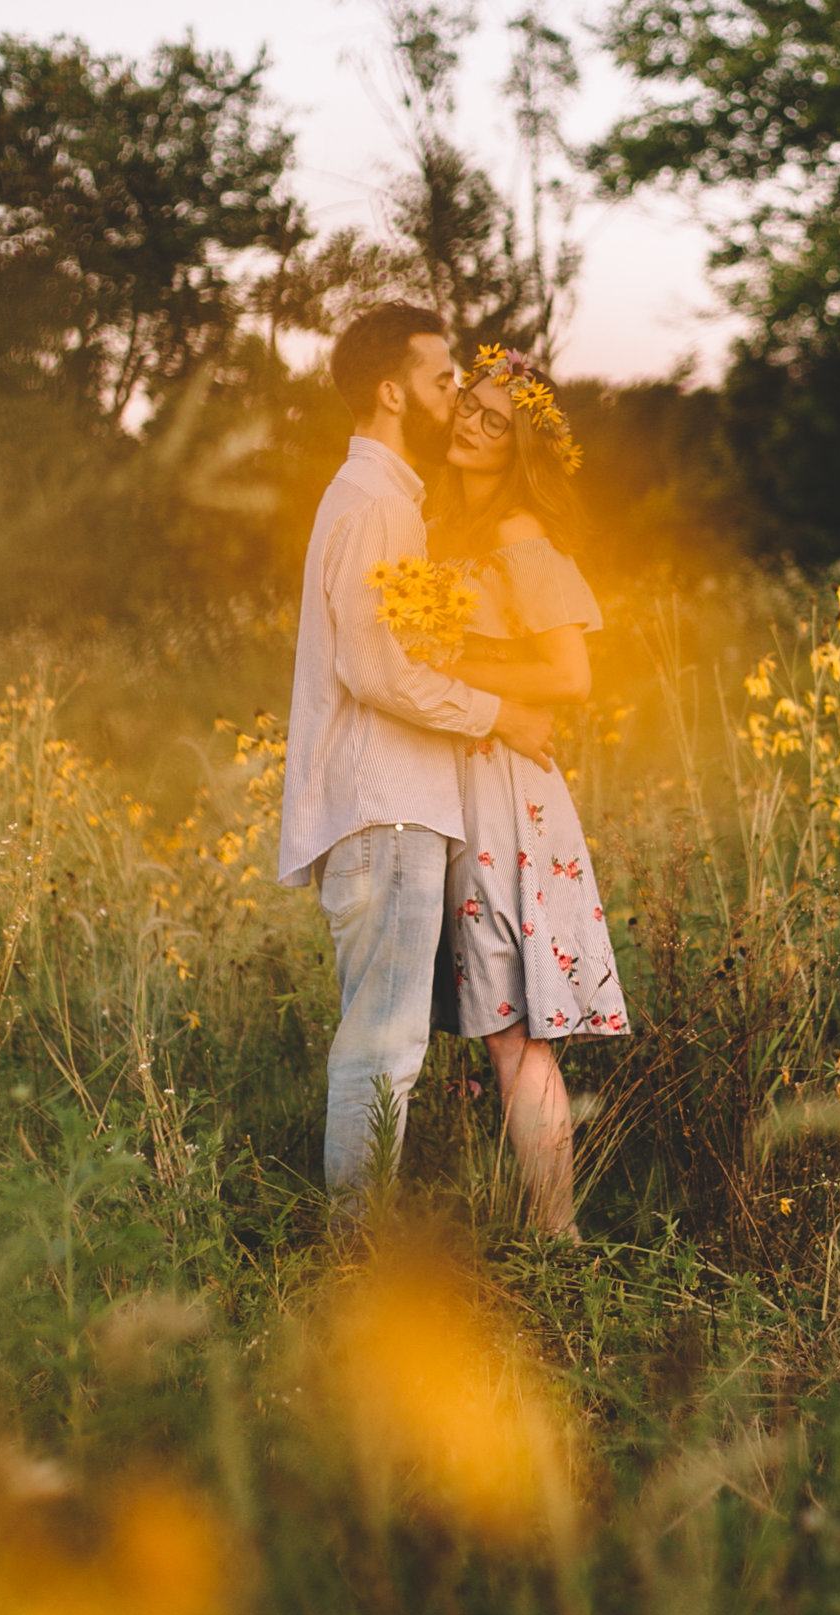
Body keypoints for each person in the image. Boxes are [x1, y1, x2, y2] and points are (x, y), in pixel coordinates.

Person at [278, 303, 557, 1208]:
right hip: (385, 809)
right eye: (444, 382)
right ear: (394, 392)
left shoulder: (386, 501)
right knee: (383, 1048)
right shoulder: (374, 507)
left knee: (387, 1043)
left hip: (394, 813)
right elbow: (376, 668)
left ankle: (359, 1243)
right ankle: (358, 1255)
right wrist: (499, 714)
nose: (455, 397)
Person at [427, 344, 631, 1239]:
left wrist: (463, 672)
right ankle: (528, 1224)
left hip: (504, 793)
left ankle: (558, 1238)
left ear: (519, 448)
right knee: (493, 1027)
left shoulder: (515, 532)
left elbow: (572, 674)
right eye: (467, 405)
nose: (470, 424)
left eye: (493, 420)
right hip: (454, 775)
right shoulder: (439, 528)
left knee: (517, 1029)